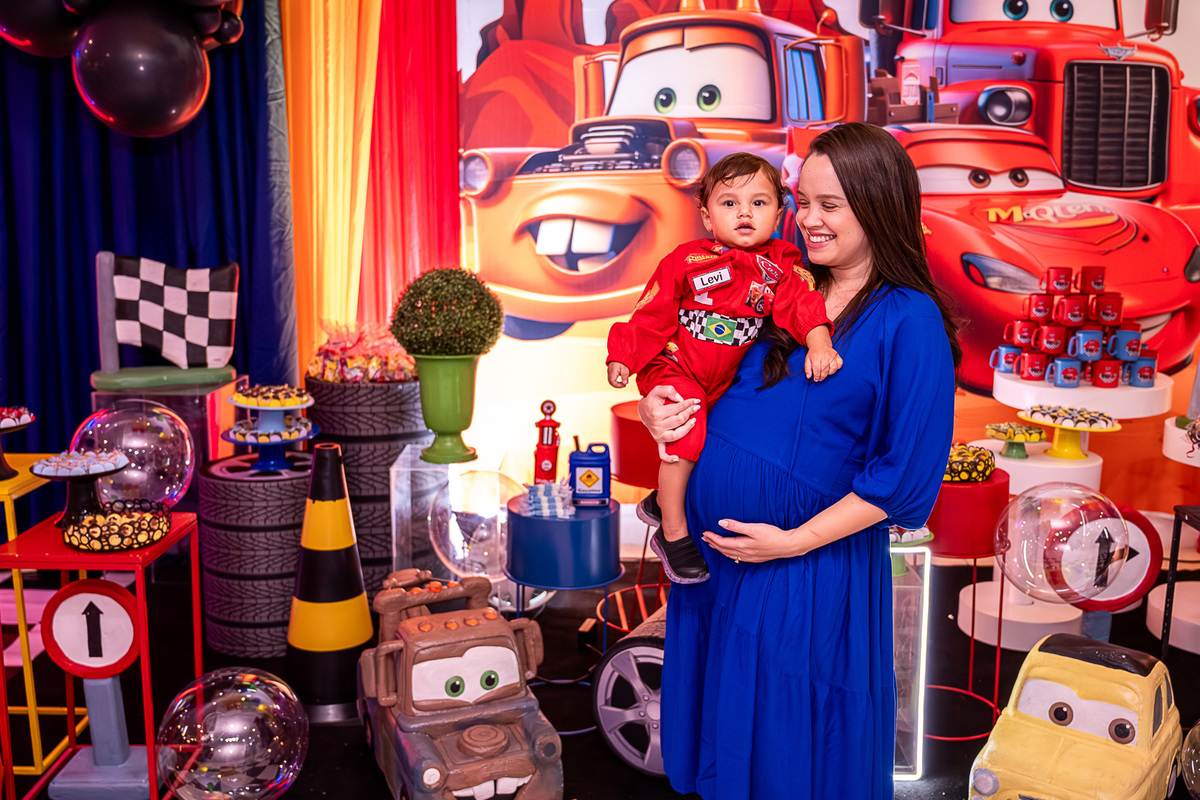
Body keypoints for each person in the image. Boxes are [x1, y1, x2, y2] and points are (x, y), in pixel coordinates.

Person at [637, 123, 960, 799]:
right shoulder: (774, 282)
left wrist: (792, 542)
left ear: (879, 205)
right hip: (718, 567)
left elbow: (903, 477)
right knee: (725, 743)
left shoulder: (910, 319)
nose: (807, 219)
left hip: (807, 574)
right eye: (801, 200)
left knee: (791, 749)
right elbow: (695, 364)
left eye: (830, 204)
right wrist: (658, 405)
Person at [607, 152, 841, 584]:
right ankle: (673, 535)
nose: (745, 213)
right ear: (706, 215)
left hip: (724, 379)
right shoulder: (686, 260)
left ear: (779, 212)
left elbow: (801, 305)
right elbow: (651, 312)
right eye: (729, 203)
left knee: (716, 430)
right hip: (677, 365)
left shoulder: (782, 266)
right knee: (688, 423)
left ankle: (664, 501)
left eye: (759, 202)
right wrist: (624, 354)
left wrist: (819, 340)